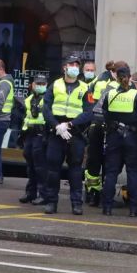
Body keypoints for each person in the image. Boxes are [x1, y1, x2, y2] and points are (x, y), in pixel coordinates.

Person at [42, 55, 92, 215]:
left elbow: (88, 112)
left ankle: (76, 204)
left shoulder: (85, 88)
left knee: (76, 171)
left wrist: (69, 125)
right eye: (71, 64)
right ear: (65, 67)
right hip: (56, 132)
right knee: (52, 169)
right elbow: (46, 109)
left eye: (77, 65)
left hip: (74, 132)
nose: (74, 68)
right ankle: (51, 202)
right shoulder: (55, 85)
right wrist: (57, 126)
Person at [99, 64, 137, 216]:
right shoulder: (136, 95)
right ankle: (134, 209)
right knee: (132, 172)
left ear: (117, 79)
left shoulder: (110, 94)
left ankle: (106, 207)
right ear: (129, 77)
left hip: (113, 137)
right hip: (132, 138)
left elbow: (104, 113)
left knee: (111, 172)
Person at [84, 61, 117, 207]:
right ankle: (94, 194)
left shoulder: (100, 80)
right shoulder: (103, 82)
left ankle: (94, 193)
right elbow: (99, 106)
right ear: (114, 72)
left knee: (96, 160)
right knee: (96, 161)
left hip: (99, 125)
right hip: (99, 125)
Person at [20, 75, 49, 205]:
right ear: (33, 84)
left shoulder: (48, 99)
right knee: (30, 166)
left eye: (43, 84)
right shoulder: (29, 99)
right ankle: (30, 193)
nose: (40, 86)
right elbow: (26, 117)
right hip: (29, 135)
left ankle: (43, 194)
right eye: (38, 83)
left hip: (41, 134)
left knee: (40, 167)